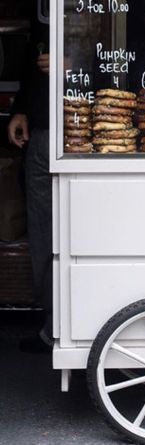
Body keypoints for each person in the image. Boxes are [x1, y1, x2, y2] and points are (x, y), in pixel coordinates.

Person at [8, 40, 53, 352]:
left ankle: (80, 328)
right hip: (41, 134)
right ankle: (55, 326)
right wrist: (22, 107)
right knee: (44, 233)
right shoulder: (50, 2)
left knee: (88, 234)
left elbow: (131, 58)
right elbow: (33, 66)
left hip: (84, 134)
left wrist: (75, 62)